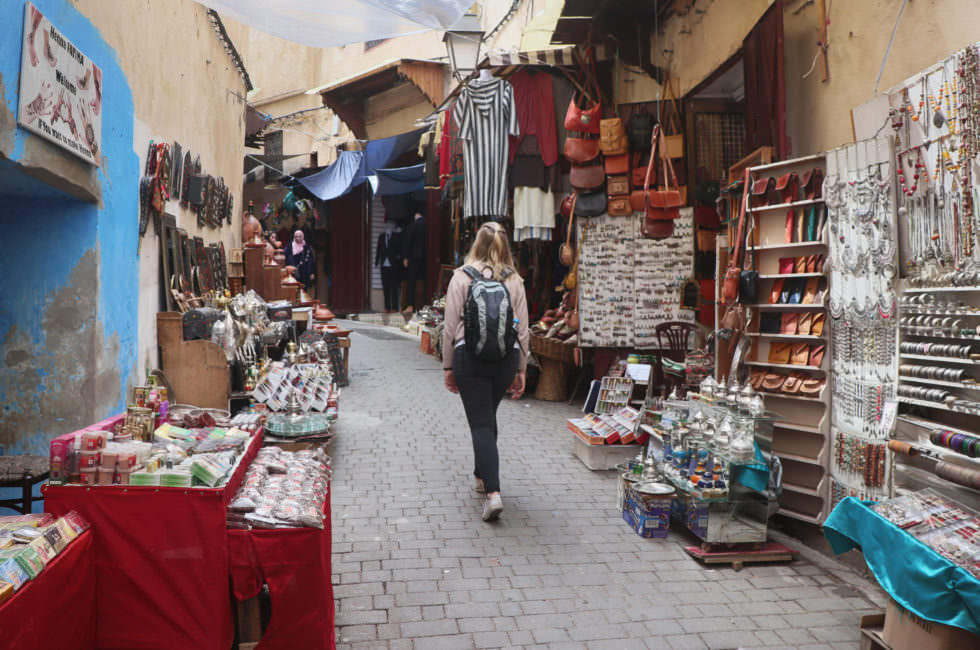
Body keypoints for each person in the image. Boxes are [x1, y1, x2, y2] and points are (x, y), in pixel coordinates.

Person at [442, 222, 528, 522]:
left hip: (470, 357)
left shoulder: (460, 277)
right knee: (487, 417)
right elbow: (523, 330)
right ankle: (481, 475)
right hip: (505, 359)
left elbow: (450, 326)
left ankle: (493, 493)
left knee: (480, 424)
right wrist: (521, 369)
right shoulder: (515, 280)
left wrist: (448, 365)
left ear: (476, 244)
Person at [402, 209, 426, 312]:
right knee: (424, 281)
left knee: (412, 281)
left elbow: (408, 242)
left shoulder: (413, 225)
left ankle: (410, 305)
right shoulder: (428, 224)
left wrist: (405, 257)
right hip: (425, 257)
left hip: (414, 257)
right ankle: (424, 304)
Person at [375, 224, 403, 312]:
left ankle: (394, 307)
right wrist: (376, 261)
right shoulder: (381, 237)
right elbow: (378, 249)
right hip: (384, 265)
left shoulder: (396, 237)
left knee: (394, 287)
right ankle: (387, 307)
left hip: (393, 265)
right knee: (385, 287)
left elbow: (399, 250)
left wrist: (398, 262)